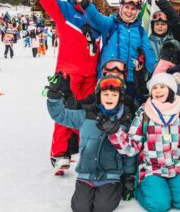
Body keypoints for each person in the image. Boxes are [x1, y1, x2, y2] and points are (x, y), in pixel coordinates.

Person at [31, 0, 101, 174]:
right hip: (68, 75)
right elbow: (46, 0)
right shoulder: (66, 12)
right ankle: (60, 154)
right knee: (65, 113)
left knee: (87, 114)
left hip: (91, 77)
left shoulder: (97, 19)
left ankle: (84, 150)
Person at [107, 73, 180, 212]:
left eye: (162, 87)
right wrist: (114, 133)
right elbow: (131, 148)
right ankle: (141, 190)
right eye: (155, 87)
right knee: (159, 205)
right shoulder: (144, 113)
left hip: (177, 166)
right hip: (152, 168)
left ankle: (168, 189)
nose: (158, 90)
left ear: (171, 89)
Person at [46, 74, 136, 212]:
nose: (109, 97)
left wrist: (129, 177)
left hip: (110, 176)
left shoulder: (125, 121)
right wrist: (54, 95)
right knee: (80, 208)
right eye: (105, 94)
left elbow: (129, 153)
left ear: (120, 97)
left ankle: (114, 191)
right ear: (99, 96)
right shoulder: (86, 115)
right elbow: (60, 115)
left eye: (114, 94)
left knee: (103, 207)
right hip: (86, 174)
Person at [82, 0, 156, 104]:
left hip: (131, 80)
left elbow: (149, 53)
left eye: (133, 9)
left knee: (128, 111)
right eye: (126, 7)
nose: (129, 11)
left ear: (137, 11)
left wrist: (158, 72)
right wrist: (87, 5)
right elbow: (97, 20)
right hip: (109, 76)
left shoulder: (140, 31)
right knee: (108, 110)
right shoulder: (111, 23)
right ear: (121, 7)